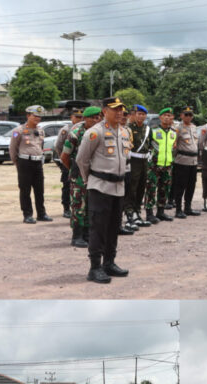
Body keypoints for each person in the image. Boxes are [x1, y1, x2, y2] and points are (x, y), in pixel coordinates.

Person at [76, 96, 131, 284]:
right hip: (100, 187)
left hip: (118, 187)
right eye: (114, 109)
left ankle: (109, 263)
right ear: (104, 111)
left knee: (113, 228)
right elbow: (81, 160)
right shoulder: (94, 133)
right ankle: (94, 268)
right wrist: (89, 180)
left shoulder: (124, 132)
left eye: (121, 109)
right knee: (98, 229)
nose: (119, 112)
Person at [61, 106, 102, 248]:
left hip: (95, 172)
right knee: (79, 204)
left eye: (99, 117)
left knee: (91, 205)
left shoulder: (99, 132)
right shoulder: (76, 133)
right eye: (94, 118)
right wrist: (74, 170)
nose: (97, 120)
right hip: (78, 174)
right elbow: (64, 156)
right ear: (85, 119)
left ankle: (86, 234)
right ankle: (76, 236)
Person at [9, 105, 52, 224]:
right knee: (25, 190)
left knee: (40, 190)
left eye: (39, 117)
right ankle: (27, 214)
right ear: (28, 116)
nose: (37, 118)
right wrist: (17, 162)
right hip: (24, 163)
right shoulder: (18, 131)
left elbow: (40, 146)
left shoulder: (41, 130)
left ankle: (41, 214)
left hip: (38, 163)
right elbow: (13, 148)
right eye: (35, 116)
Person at [145, 107, 176, 223]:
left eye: (169, 115)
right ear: (160, 117)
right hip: (154, 165)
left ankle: (161, 212)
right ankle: (149, 213)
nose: (167, 117)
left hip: (167, 165)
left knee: (165, 189)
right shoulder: (153, 131)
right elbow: (147, 147)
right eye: (165, 115)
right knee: (151, 189)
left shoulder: (173, 133)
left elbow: (173, 148)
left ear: (172, 118)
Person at [124, 104, 152, 230]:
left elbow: (150, 144)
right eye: (139, 114)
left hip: (144, 161)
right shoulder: (128, 128)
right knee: (132, 187)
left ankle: (137, 213)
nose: (141, 116)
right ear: (134, 115)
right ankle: (129, 214)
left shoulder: (147, 129)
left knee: (141, 187)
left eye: (143, 114)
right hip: (133, 160)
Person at [55, 108, 83, 219]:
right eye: (77, 117)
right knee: (67, 186)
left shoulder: (85, 129)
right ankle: (66, 208)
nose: (79, 119)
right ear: (71, 117)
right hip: (68, 161)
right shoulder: (66, 129)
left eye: (81, 117)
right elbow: (58, 146)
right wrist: (64, 160)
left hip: (80, 162)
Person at [173, 106, 201, 219]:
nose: (188, 117)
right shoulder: (177, 128)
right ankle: (178, 209)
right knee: (180, 186)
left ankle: (188, 208)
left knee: (191, 185)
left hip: (193, 161)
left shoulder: (194, 127)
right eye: (186, 114)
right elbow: (174, 145)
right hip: (182, 161)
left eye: (190, 115)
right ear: (181, 115)